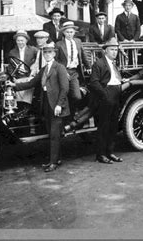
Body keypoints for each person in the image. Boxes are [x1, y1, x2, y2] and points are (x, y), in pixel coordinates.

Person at [7, 42, 70, 172]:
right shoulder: (44, 69)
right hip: (46, 104)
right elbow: (31, 83)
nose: (47, 54)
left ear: (54, 54)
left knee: (54, 135)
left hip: (56, 106)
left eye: (49, 52)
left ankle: (53, 163)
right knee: (51, 133)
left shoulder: (59, 68)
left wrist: (59, 105)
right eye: (45, 52)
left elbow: (65, 88)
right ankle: (56, 159)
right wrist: (14, 86)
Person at [89, 37, 125, 164]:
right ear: (105, 51)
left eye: (116, 49)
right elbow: (94, 82)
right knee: (103, 127)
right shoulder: (99, 63)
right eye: (112, 49)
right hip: (106, 96)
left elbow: (115, 78)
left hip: (116, 95)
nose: (114, 52)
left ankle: (110, 152)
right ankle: (101, 154)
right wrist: (105, 95)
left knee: (113, 126)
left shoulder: (114, 64)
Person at [55, 21, 91, 112]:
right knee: (64, 92)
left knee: (77, 96)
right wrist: (63, 71)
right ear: (63, 32)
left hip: (74, 72)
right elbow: (56, 60)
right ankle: (68, 116)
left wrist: (88, 66)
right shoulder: (59, 44)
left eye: (71, 32)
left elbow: (83, 55)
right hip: (64, 71)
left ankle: (73, 110)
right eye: (67, 32)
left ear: (74, 32)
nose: (69, 34)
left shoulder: (78, 42)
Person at [6, 30, 38, 110]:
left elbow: (39, 59)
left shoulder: (33, 50)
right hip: (18, 76)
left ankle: (27, 107)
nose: (20, 42)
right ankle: (19, 108)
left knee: (28, 84)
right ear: (16, 41)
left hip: (29, 76)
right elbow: (10, 66)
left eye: (22, 40)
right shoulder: (12, 52)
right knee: (14, 87)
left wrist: (34, 67)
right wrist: (12, 76)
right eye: (18, 40)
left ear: (26, 40)